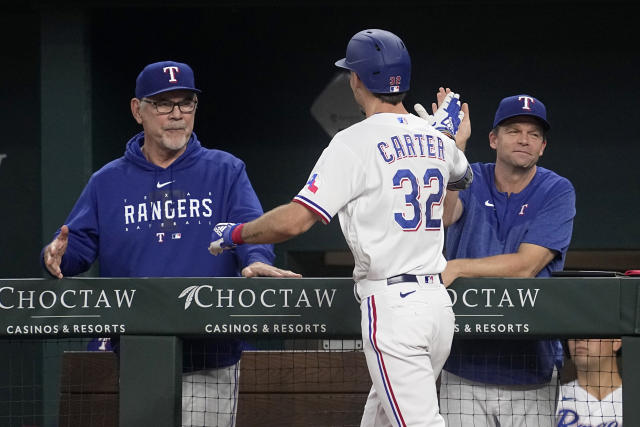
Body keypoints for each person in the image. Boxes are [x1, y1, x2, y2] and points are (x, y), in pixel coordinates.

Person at [208, 29, 473, 427]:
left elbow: (297, 219)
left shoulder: (352, 142)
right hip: (437, 310)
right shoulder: (437, 139)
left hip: (395, 308)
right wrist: (451, 140)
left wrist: (236, 234)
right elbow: (451, 209)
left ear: (356, 79)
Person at [41, 60, 299, 427]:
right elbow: (76, 246)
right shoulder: (107, 181)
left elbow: (251, 232)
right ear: (138, 110)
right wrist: (57, 254)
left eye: (186, 103)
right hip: (136, 356)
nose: (177, 115)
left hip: (211, 355)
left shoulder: (226, 170)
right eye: (164, 104)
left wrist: (255, 258)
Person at [437, 94, 577, 426]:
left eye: (534, 134)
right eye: (514, 130)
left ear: (542, 146)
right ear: (493, 139)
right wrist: (453, 150)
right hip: (462, 364)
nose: (524, 140)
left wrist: (458, 267)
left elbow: (526, 266)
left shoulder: (557, 190)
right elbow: (443, 216)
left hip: (530, 367)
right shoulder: (468, 177)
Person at [556, 338, 623, 426]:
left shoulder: (635, 400)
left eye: (591, 330)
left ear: (616, 342)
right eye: (573, 331)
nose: (579, 338)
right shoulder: (554, 398)